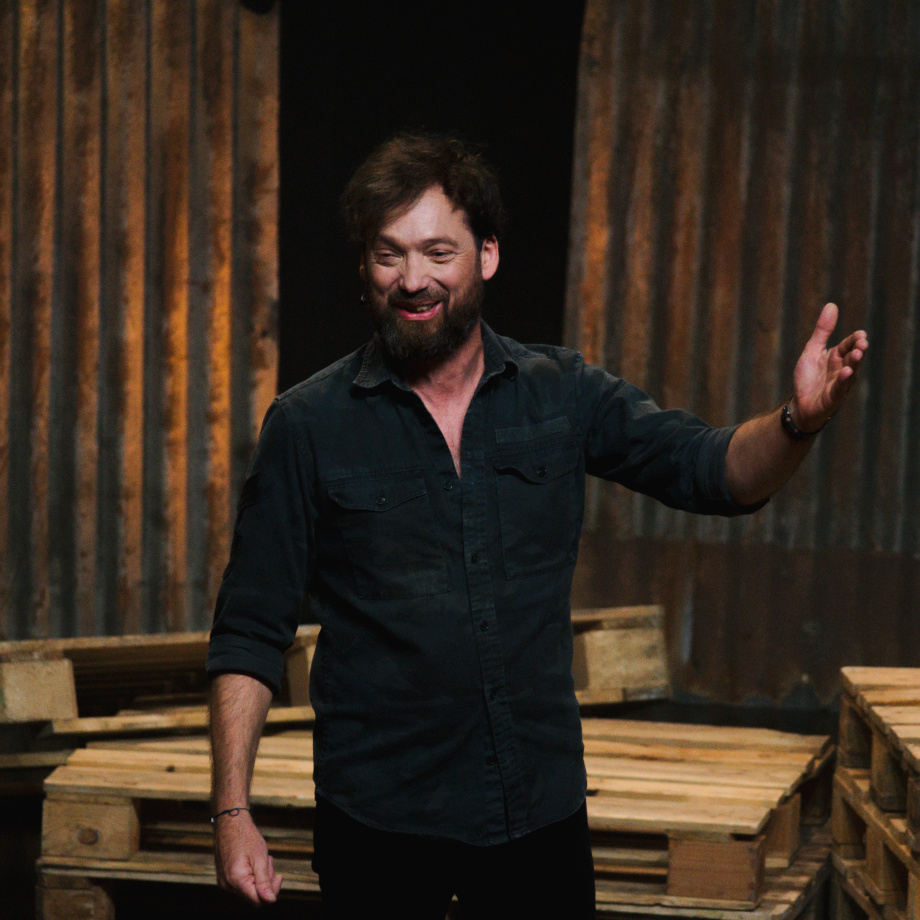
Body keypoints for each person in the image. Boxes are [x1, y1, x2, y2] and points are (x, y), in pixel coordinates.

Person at [207, 132, 868, 917]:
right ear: (364, 266)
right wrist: (232, 813)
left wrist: (797, 420)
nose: (413, 280)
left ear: (487, 255)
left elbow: (711, 470)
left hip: (537, 817)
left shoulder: (561, 393)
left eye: (438, 252)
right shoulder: (307, 425)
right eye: (389, 255)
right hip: (379, 826)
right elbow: (249, 629)